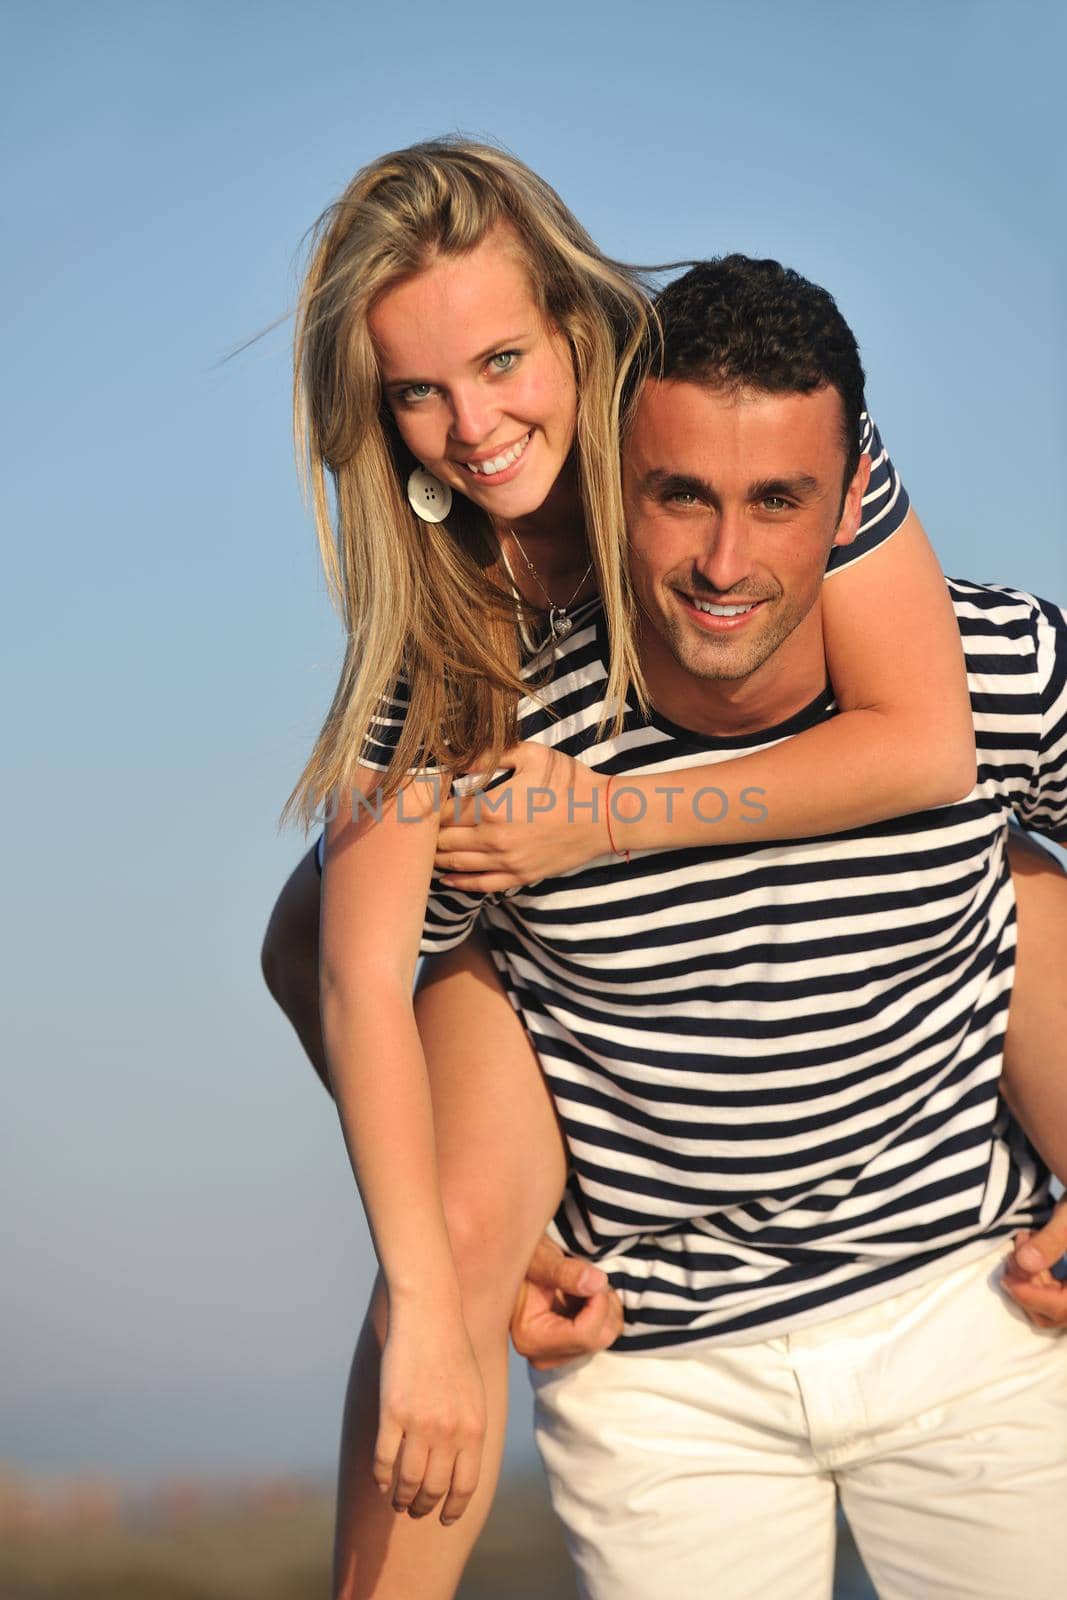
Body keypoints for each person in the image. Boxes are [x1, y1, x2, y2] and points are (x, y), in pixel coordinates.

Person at [260, 137, 1030, 1597]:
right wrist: (431, 1281)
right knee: (347, 999)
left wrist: (601, 820)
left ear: (574, 320)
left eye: (499, 362)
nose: (470, 427)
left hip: (707, 853)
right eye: (418, 394)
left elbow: (926, 743)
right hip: (519, 948)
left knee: (1021, 886)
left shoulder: (716, 423)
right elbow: (348, 974)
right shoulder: (440, 627)